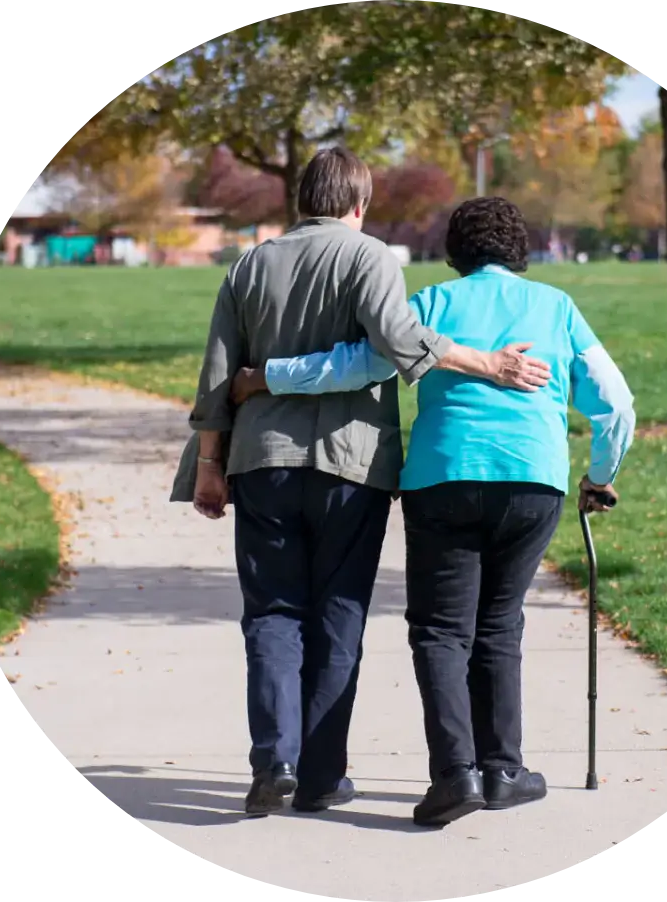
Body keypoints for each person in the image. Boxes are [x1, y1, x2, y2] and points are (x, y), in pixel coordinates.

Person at [229, 196, 636, 827]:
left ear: (455, 252)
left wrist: (267, 377)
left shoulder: (430, 304)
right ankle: (503, 770)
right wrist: (599, 478)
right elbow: (615, 403)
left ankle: (454, 775)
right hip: (533, 480)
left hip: (441, 480)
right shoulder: (557, 307)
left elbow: (353, 366)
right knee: (499, 623)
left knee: (442, 631)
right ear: (519, 249)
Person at [172, 150, 553, 819]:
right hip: (353, 468)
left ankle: (274, 761)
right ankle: (321, 777)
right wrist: (488, 365)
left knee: (272, 615)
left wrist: (209, 465)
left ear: (301, 201)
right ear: (360, 203)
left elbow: (218, 374)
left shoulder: (251, 265)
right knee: (337, 617)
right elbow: (400, 342)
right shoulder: (370, 257)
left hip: (261, 460)